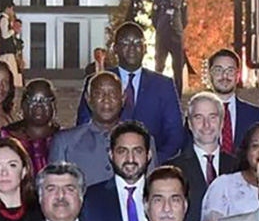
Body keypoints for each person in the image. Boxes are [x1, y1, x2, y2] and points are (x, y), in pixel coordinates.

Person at [76, 22, 186, 162]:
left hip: (151, 169)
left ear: (145, 48)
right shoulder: (97, 81)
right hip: (102, 168)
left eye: (137, 42)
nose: (132, 48)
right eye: (125, 42)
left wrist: (152, 163)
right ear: (114, 48)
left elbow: (175, 135)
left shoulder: (164, 85)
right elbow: (83, 128)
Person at [84, 121, 197, 221]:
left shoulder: (168, 196)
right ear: (111, 155)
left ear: (148, 155)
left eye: (137, 151)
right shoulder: (91, 199)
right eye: (122, 151)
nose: (130, 159)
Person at [52, 71, 155, 183]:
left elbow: (153, 189)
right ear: (88, 99)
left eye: (113, 94)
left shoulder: (143, 140)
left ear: (123, 98)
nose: (106, 100)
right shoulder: (65, 142)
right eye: (99, 94)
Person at [166, 92, 237, 198]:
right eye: (199, 118)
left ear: (222, 122)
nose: (206, 125)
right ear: (189, 123)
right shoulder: (172, 169)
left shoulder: (238, 167)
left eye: (212, 117)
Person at [206, 49, 259, 156]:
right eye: (218, 70)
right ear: (210, 75)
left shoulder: (255, 115)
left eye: (230, 70)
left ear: (238, 76)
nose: (225, 76)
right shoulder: (196, 115)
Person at [1, 80, 60, 174]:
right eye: (32, 100)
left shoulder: (64, 139)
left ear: (54, 106)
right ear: (23, 104)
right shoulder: (5, 137)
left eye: (45, 100)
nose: (39, 105)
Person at [151, 0, 188, 94]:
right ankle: (157, 92)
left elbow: (184, 18)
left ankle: (178, 94)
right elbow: (154, 18)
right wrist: (162, 28)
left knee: (177, 67)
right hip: (163, 36)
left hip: (176, 37)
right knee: (159, 66)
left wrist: (178, 29)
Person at [0, 3, 25, 86]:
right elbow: (5, 35)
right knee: (10, 75)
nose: (12, 11)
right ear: (7, 8)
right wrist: (12, 30)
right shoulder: (4, 19)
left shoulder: (5, 20)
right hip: (6, 53)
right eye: (11, 9)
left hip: (7, 53)